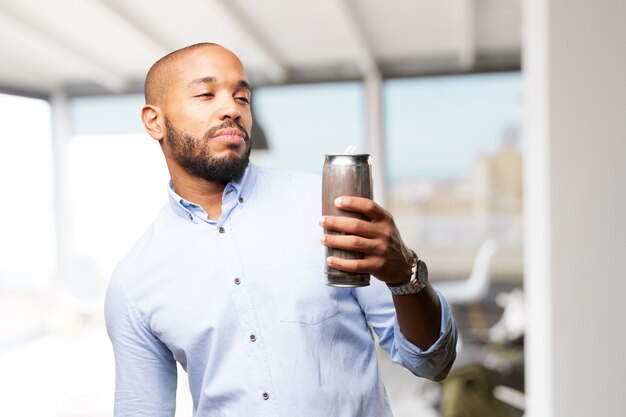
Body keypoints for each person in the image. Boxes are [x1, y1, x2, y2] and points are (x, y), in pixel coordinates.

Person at [104, 42, 457, 417]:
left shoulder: (326, 209)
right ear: (153, 121)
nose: (231, 110)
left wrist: (406, 275)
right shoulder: (134, 282)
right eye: (206, 94)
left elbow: (432, 363)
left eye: (242, 97)